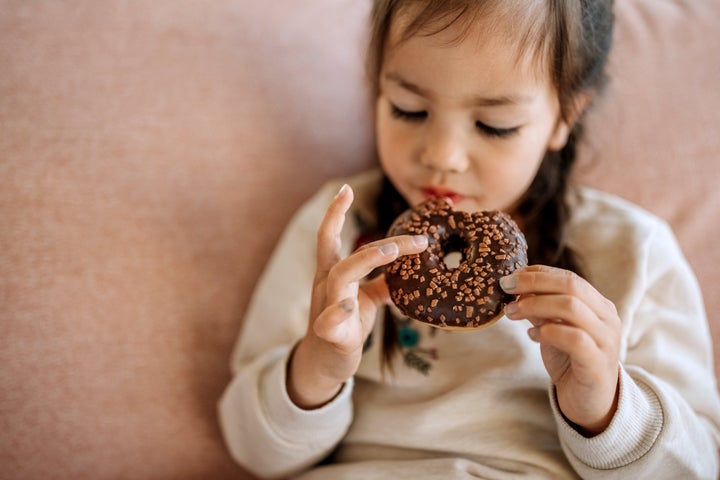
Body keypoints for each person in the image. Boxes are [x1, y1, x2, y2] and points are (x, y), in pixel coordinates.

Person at [219, 0, 720, 478]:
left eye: (493, 125)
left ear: (564, 116)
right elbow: (252, 451)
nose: (442, 155)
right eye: (408, 109)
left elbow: (699, 465)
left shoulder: (633, 250)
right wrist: (316, 371)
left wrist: (607, 408)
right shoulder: (339, 228)